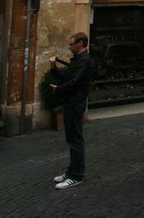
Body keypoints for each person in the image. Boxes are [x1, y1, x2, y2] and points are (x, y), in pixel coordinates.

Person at [48, 32, 93, 190]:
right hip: (70, 102)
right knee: (71, 138)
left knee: (76, 140)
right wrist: (54, 68)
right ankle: (71, 172)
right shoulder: (77, 60)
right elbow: (67, 77)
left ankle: (76, 175)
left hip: (76, 103)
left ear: (80, 43)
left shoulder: (85, 61)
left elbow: (74, 82)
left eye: (72, 44)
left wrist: (58, 90)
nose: (70, 46)